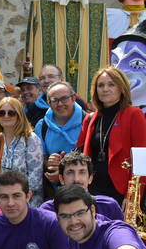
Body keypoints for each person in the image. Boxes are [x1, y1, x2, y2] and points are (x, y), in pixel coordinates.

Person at [76, 67, 146, 206]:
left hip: (121, 191)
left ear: (122, 88)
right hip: (93, 189)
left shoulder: (134, 114)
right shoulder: (90, 118)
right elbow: (80, 153)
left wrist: (131, 197)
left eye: (111, 84)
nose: (105, 89)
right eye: (100, 85)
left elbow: (142, 160)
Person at [0, 97, 44, 206]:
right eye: (1, 113)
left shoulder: (30, 139)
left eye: (11, 113)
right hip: (1, 201)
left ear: (19, 115)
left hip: (27, 201)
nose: (6, 116)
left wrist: (18, 198)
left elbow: (35, 178)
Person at [40, 151, 124, 220]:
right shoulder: (47, 210)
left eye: (82, 172)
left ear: (90, 178)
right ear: (61, 179)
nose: (76, 179)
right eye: (70, 173)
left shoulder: (108, 206)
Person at [35, 81, 85, 184]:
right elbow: (42, 159)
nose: (60, 104)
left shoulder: (88, 122)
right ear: (49, 103)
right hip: (57, 191)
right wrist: (50, 163)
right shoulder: (42, 126)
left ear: (73, 98)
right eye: (55, 100)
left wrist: (64, 174)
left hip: (84, 186)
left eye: (64, 98)